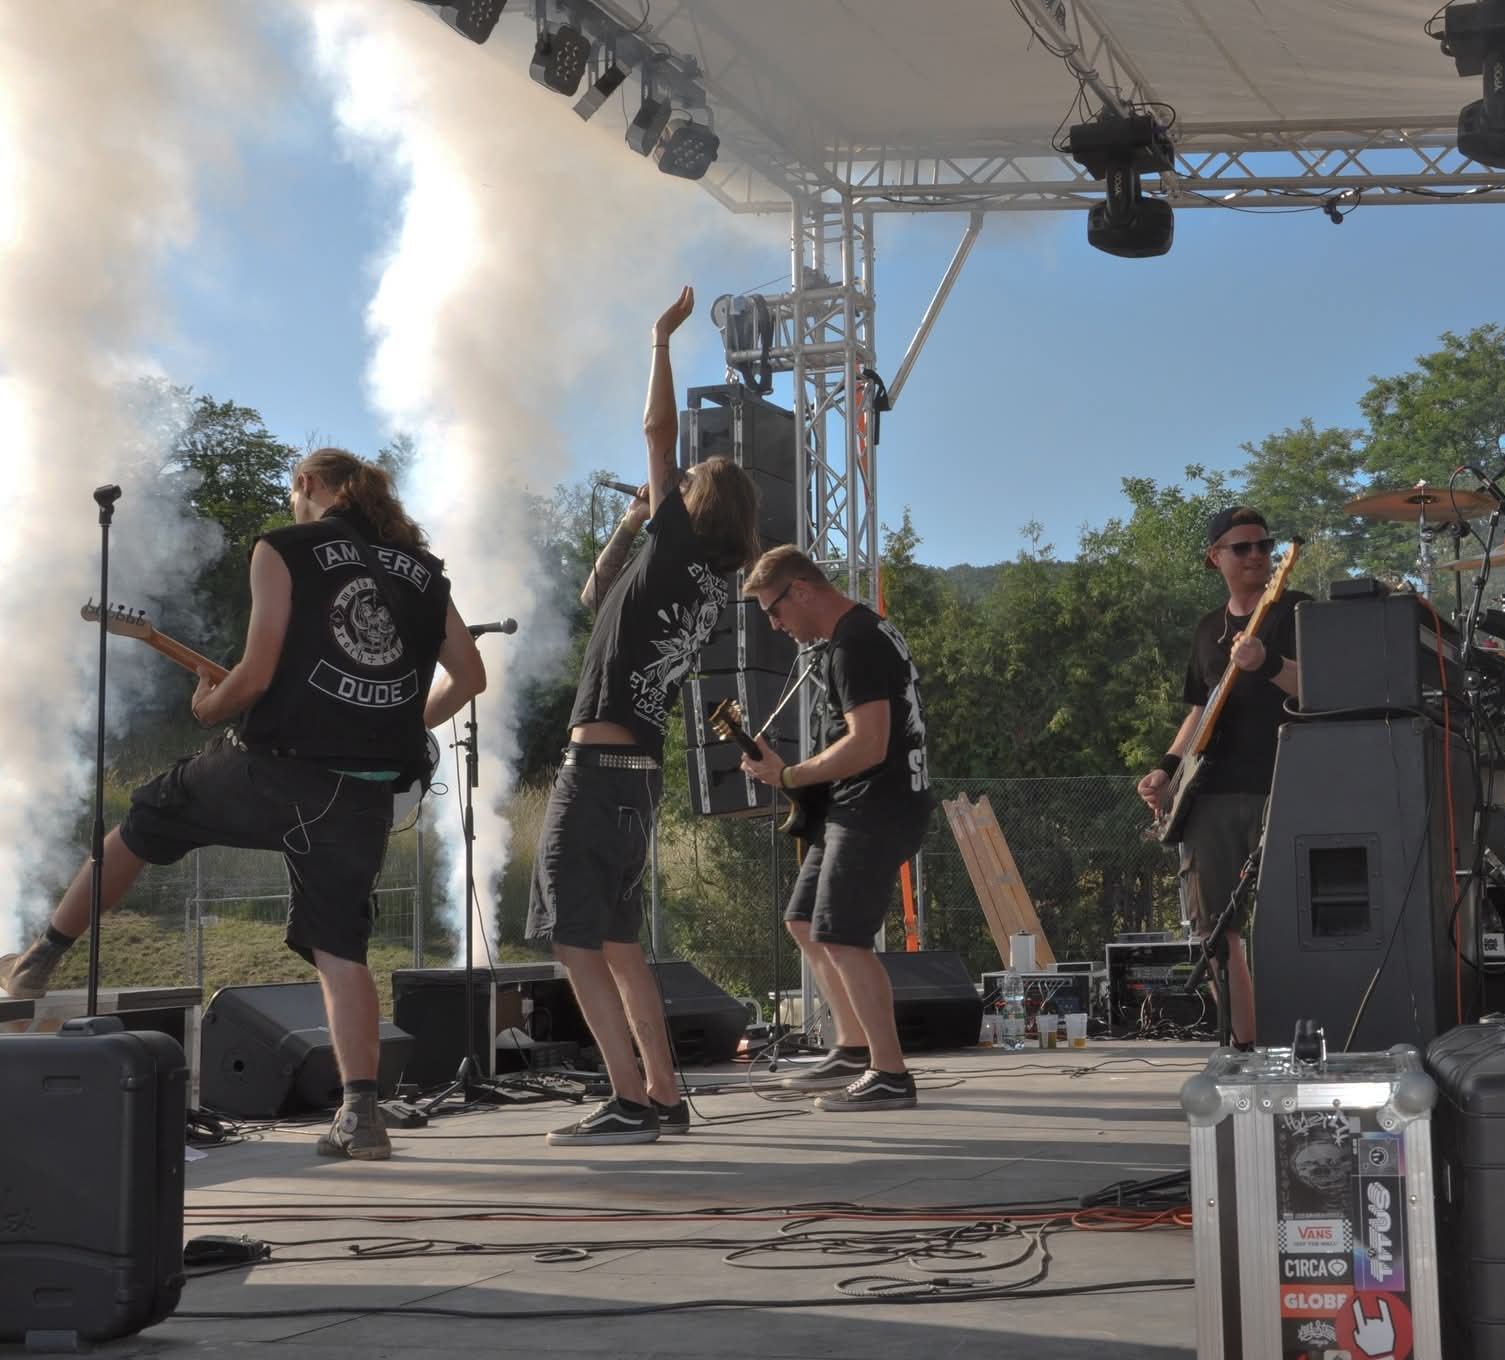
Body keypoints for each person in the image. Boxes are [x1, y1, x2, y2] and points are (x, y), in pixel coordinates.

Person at [0, 448, 487, 1161]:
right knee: (341, 947)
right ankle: (361, 1115)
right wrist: (404, 726)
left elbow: (255, 675)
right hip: (363, 793)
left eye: (294, 491)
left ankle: (42, 956)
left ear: (308, 485)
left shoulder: (283, 548)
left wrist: (207, 708)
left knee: (146, 820)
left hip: (274, 770)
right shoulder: (421, 569)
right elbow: (469, 676)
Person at [526, 284, 762, 1147]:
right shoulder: (709, 579)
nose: (672, 482)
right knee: (620, 943)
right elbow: (599, 595)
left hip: (596, 774)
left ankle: (629, 1099)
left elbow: (658, 431)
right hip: (637, 775)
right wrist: (632, 518)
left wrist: (661, 340)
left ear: (695, 501)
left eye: (682, 485)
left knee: (572, 940)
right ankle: (661, 1092)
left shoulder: (679, 545)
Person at [735, 545, 932, 1112]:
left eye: (774, 610)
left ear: (801, 590)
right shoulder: (854, 636)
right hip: (858, 805)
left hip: (878, 806)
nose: (775, 625)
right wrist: (792, 774)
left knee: (843, 936)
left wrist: (788, 774)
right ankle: (852, 1049)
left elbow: (868, 744)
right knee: (804, 921)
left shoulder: (854, 644)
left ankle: (889, 1072)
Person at [1136, 506, 1307, 1049]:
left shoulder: (1297, 611)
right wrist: (1167, 769)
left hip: (1284, 786)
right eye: (1242, 547)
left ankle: (1300, 1044)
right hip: (1209, 793)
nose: (1257, 555)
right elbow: (1200, 710)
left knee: (1290, 921)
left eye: (1264, 545)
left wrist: (1269, 664)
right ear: (1215, 557)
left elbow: (1328, 687)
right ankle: (1243, 1045)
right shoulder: (1208, 628)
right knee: (1214, 925)